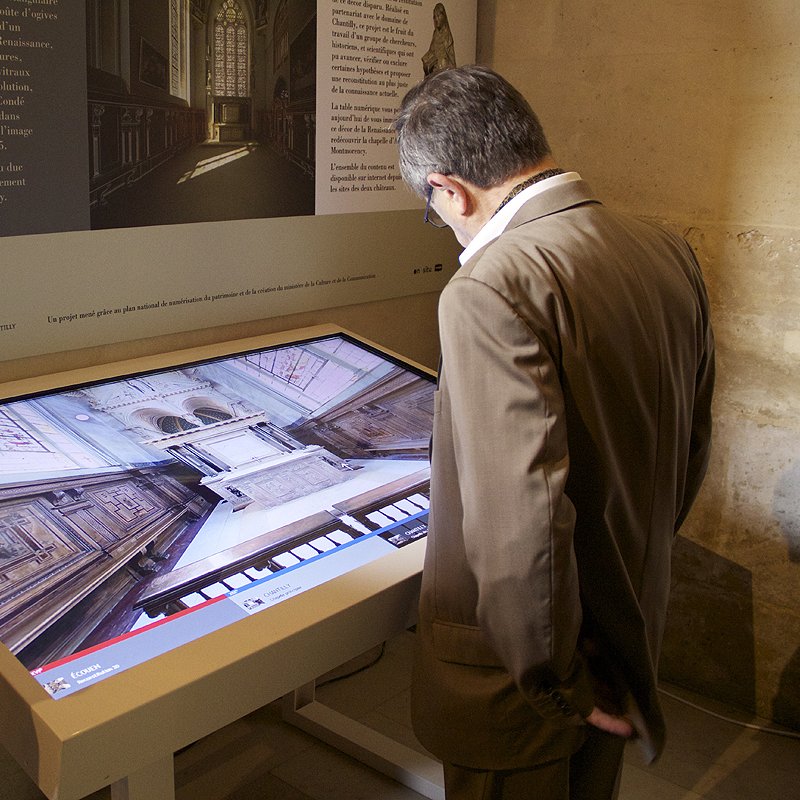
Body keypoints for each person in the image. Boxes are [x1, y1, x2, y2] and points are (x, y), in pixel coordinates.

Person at [392, 65, 715, 799]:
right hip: (623, 627)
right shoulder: (665, 250)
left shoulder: (489, 287)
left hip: (526, 681)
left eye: (429, 206)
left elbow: (520, 520)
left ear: (449, 188)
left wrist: (553, 680)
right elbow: (692, 447)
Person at [422, 3, 456, 76]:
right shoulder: (435, 34)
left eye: (438, 16)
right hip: (434, 70)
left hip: (443, 71)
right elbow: (431, 51)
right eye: (434, 17)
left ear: (443, 16)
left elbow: (451, 58)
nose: (436, 19)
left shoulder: (447, 35)